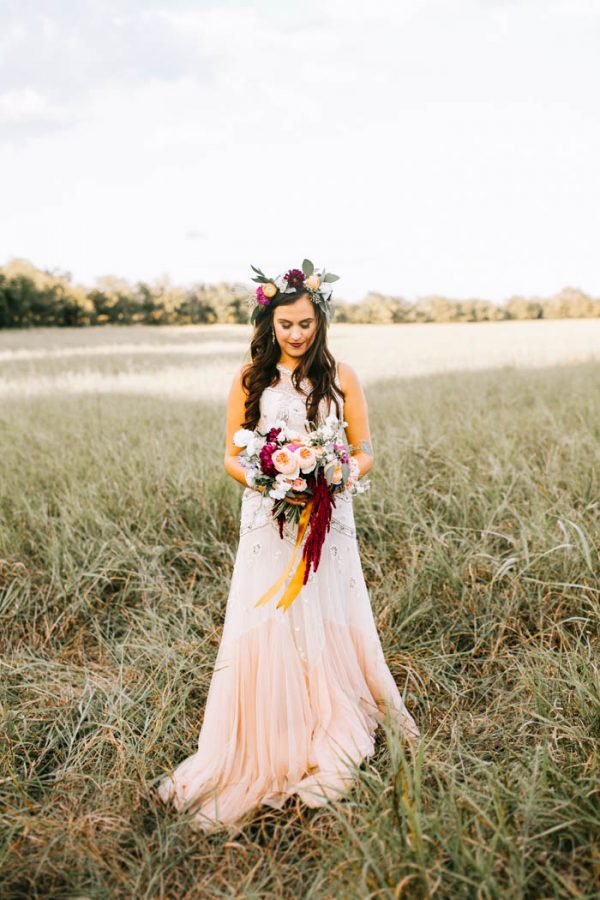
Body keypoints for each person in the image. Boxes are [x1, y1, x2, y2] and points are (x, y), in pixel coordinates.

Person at [157, 262, 420, 832]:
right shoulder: (251, 378)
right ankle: (268, 723)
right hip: (268, 518)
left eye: (305, 323)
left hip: (329, 515)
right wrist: (273, 480)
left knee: (327, 605)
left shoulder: (343, 375)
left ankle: (331, 709)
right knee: (269, 610)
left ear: (320, 321)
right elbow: (231, 454)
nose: (296, 334)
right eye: (286, 325)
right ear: (269, 324)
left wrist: (332, 474)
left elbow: (367, 447)